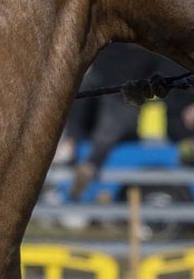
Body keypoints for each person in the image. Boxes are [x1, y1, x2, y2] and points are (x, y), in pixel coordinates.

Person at [63, 44, 166, 202]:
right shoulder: (145, 51)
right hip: (113, 102)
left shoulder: (116, 48)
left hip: (116, 102)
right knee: (107, 115)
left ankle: (79, 153)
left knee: (109, 115)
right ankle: (84, 157)